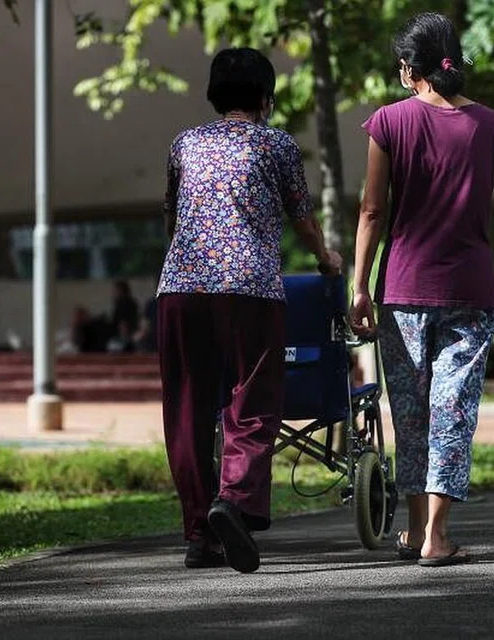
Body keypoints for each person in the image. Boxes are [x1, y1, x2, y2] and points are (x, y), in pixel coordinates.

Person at [349, 12, 494, 567]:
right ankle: (434, 535)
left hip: (403, 288)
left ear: (412, 69)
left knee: (412, 412)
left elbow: (372, 209)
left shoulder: (388, 123)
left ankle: (416, 530)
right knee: (452, 410)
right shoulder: (491, 127)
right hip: (471, 291)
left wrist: (359, 286)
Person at [158, 47, 342, 573]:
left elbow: (172, 219)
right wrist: (325, 258)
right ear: (266, 96)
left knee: (188, 411)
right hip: (250, 289)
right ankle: (232, 502)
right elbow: (303, 221)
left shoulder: (184, 143)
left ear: (214, 94)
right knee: (253, 400)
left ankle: (200, 535)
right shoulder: (276, 144)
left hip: (180, 289)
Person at [110, 280, 140, 353]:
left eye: (116, 290)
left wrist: (125, 332)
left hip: (127, 335)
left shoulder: (126, 303)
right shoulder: (120, 303)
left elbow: (124, 321)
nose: (114, 293)